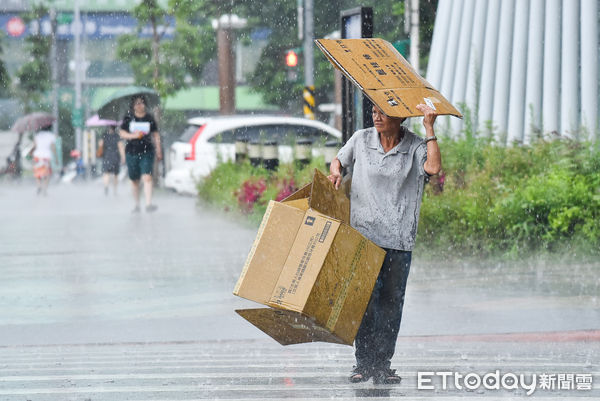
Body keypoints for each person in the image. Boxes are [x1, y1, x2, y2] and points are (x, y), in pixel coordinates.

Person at [328, 104, 440, 385]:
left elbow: (433, 168)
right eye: (375, 111)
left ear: (400, 117)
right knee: (365, 302)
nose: (376, 117)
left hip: (399, 239)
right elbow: (338, 160)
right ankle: (363, 363)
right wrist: (336, 171)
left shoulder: (414, 145)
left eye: (384, 113)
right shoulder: (361, 139)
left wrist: (429, 128)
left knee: (391, 304)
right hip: (363, 237)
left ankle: (382, 364)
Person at [119, 95, 162, 213]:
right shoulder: (128, 118)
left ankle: (148, 204)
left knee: (147, 177)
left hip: (147, 151)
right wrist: (134, 135)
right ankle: (137, 204)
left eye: (142, 103)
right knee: (134, 180)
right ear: (133, 106)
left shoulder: (150, 118)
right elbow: (122, 133)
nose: (139, 105)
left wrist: (159, 150)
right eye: (137, 103)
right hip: (131, 152)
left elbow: (156, 134)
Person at [29, 124, 57, 196]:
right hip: (46, 157)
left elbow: (34, 146)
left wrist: (30, 153)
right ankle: (44, 189)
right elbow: (53, 148)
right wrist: (56, 158)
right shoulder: (51, 136)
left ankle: (39, 186)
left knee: (38, 173)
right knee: (47, 174)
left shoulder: (37, 136)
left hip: (37, 156)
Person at [97, 125, 125, 196]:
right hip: (115, 157)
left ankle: (106, 186)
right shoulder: (117, 136)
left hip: (106, 156)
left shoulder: (104, 135)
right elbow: (120, 147)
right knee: (116, 174)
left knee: (106, 173)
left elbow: (100, 144)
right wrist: (123, 157)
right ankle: (115, 190)